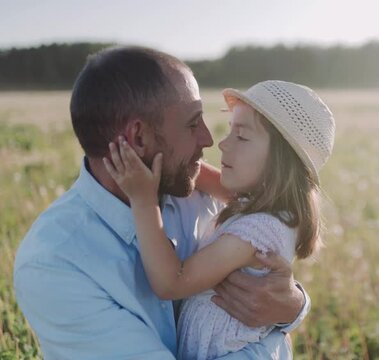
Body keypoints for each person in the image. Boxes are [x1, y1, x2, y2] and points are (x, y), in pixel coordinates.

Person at [13, 46, 309, 359]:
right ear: (139, 139)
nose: (209, 140)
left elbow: (268, 220)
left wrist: (292, 305)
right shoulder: (55, 263)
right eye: (193, 123)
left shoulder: (195, 191)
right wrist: (271, 345)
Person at [103, 80, 335, 358]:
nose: (223, 144)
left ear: (279, 163)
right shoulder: (267, 207)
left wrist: (143, 200)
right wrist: (163, 150)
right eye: (229, 132)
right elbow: (200, 175)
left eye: (242, 136)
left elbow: (172, 282)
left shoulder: (259, 229)